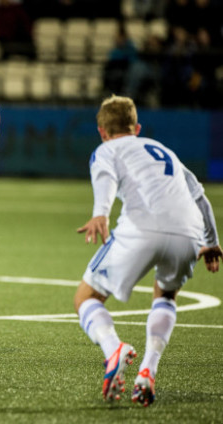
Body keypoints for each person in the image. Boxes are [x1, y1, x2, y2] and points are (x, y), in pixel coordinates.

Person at [74, 95, 221, 405]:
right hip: (189, 234)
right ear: (137, 127)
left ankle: (114, 349)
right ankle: (147, 370)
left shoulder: (106, 149)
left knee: (86, 298)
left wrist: (101, 212)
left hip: (142, 228)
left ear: (102, 131)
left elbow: (104, 177)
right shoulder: (164, 150)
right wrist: (211, 241)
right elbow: (200, 197)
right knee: (165, 295)